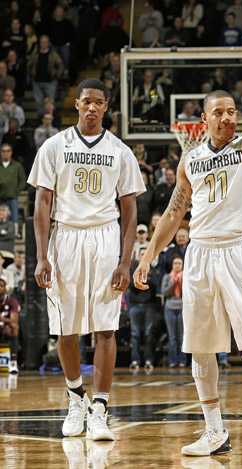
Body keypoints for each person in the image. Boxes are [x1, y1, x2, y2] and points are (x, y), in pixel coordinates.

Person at [133, 11, 242, 457]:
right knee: (201, 349)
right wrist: (147, 256)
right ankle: (214, 430)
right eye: (218, 113)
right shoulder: (190, 160)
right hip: (200, 254)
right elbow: (172, 213)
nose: (227, 118)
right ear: (203, 120)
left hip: (238, 251)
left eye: (231, 112)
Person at [28, 78, 145, 441]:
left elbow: (130, 212)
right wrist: (42, 256)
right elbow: (41, 205)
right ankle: (76, 398)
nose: (92, 107)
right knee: (66, 327)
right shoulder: (53, 146)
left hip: (105, 236)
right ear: (76, 105)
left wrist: (126, 262)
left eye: (98, 102)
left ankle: (100, 408)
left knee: (106, 327)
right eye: (86, 101)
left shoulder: (120, 150)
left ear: (106, 107)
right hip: (66, 238)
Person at [128, 246, 158, 372]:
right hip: (135, 305)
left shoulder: (153, 270)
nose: (143, 256)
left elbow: (156, 286)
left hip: (149, 305)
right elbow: (130, 285)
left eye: (146, 254)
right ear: (138, 256)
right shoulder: (132, 269)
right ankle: (135, 360)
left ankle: (148, 360)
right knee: (135, 334)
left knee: (149, 334)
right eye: (141, 254)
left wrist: (144, 279)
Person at [161, 255, 187, 367]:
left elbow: (188, 292)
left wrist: (180, 283)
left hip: (182, 308)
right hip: (169, 308)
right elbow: (164, 292)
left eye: (179, 264)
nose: (177, 265)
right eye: (175, 263)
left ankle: (183, 360)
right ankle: (172, 360)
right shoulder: (167, 277)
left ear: (182, 265)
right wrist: (172, 283)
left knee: (181, 336)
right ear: (172, 265)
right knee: (172, 337)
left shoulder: (186, 276)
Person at [0, 143, 25, 227]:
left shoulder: (16, 166)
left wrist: (16, 191)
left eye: (7, 151)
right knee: (1, 219)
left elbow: (22, 180)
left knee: (14, 218)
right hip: (1, 197)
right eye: (3, 151)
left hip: (12, 197)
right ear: (1, 152)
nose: (5, 153)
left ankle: (14, 236)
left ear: (11, 152)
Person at [0, 278, 19, 374]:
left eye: (1, 286)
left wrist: (3, 319)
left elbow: (14, 321)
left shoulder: (11, 300)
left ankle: (13, 362)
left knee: (13, 328)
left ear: (5, 288)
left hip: (5, 327)